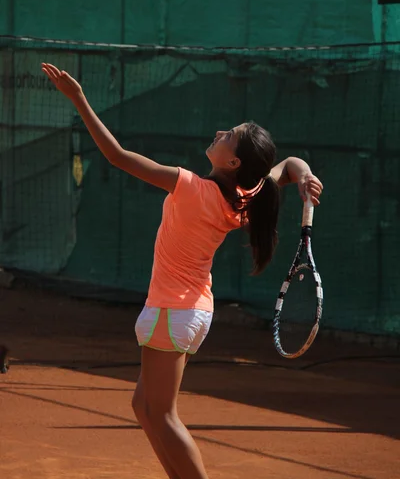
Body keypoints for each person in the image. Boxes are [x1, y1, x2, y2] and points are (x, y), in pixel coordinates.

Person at [41, 63, 323, 479]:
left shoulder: (192, 186)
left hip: (174, 312)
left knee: (164, 414)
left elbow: (117, 156)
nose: (220, 132)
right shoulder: (246, 197)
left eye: (228, 136)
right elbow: (291, 164)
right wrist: (307, 177)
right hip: (189, 313)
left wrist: (78, 99)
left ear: (233, 161)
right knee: (144, 407)